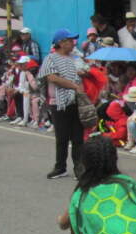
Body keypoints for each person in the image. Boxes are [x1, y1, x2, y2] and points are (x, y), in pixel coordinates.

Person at [38, 29, 84, 179]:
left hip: (75, 101)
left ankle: (79, 167)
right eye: (70, 40)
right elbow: (52, 78)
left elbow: (82, 76)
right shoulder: (50, 58)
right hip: (58, 103)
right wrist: (74, 86)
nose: (73, 43)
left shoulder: (75, 59)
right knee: (62, 137)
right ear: (61, 42)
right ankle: (60, 167)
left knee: (78, 137)